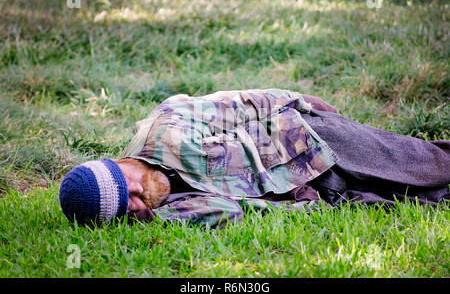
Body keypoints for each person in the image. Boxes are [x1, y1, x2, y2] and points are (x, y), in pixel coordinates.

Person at [59, 89, 450, 228]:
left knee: (430, 164)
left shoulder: (165, 131)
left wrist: (299, 100)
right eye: (126, 209)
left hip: (312, 139)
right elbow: (225, 212)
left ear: (118, 164)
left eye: (127, 188)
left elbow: (239, 104)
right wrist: (155, 216)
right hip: (315, 189)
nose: (139, 198)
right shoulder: (164, 207)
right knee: (427, 199)